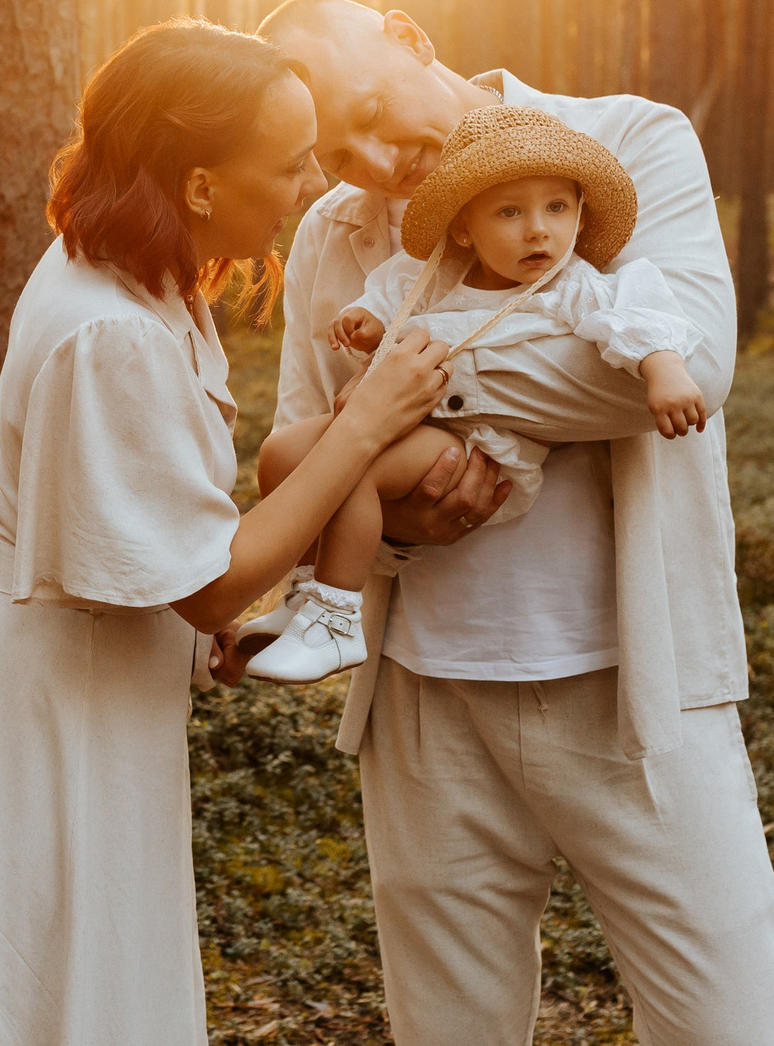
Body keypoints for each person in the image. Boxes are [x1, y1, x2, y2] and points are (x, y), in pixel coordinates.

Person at [0, 19, 459, 1046]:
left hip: (86, 712)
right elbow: (210, 582)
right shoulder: (110, 329)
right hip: (38, 747)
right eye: (289, 164)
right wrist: (364, 424)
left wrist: (195, 627)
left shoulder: (135, 274)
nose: (307, 188)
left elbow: (137, 533)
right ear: (198, 183)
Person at [256, 0, 774, 1046]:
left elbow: (681, 370)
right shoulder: (334, 233)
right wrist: (394, 519)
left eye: (373, 110)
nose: (377, 161)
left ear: (410, 36)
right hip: (422, 698)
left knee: (729, 1033)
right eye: (339, 152)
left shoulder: (629, 142)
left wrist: (402, 391)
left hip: (637, 691)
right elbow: (302, 449)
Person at [240, 103, 708, 686]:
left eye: (557, 207)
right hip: (405, 424)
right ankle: (307, 591)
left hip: (479, 448)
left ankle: (337, 618)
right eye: (509, 211)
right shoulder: (438, 274)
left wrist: (663, 368)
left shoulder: (569, 285)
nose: (538, 229)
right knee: (282, 452)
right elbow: (393, 302)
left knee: (355, 463)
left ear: (580, 214)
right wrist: (368, 323)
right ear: (465, 228)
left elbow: (634, 317)